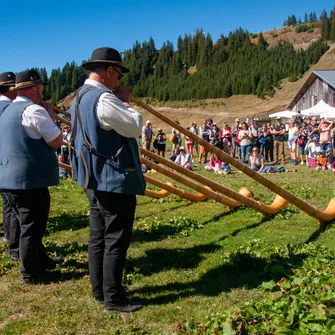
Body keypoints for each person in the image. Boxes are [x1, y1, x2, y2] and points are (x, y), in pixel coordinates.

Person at [70, 47, 146, 313]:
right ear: (110, 71)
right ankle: (114, 298)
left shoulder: (79, 96)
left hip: (92, 177)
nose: (118, 81)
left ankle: (100, 290)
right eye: (118, 74)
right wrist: (124, 102)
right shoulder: (104, 98)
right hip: (112, 179)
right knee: (115, 238)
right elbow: (134, 126)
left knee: (98, 238)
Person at [0, 69, 63, 284]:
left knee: (27, 224)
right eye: (41, 90)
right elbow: (56, 141)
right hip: (29, 180)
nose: (42, 94)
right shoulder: (34, 110)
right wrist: (52, 119)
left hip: (9, 179)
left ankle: (39, 260)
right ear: (34, 89)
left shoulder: (6, 110)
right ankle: (31, 273)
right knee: (32, 228)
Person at [0, 72, 17, 245]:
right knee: (12, 205)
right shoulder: (10, 108)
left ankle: (8, 235)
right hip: (7, 161)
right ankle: (11, 238)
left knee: (8, 202)